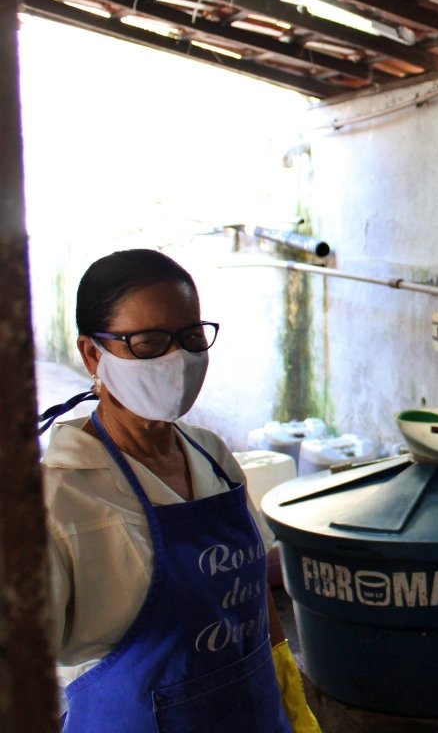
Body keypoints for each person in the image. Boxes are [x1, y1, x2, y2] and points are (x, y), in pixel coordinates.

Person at [38, 249, 319, 732]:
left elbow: (251, 595)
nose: (177, 360)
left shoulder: (212, 455)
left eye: (191, 338)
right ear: (92, 354)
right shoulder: (61, 499)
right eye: (149, 343)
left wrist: (291, 697)